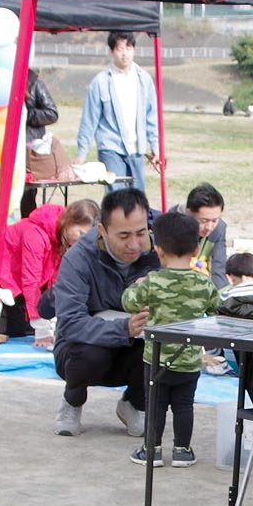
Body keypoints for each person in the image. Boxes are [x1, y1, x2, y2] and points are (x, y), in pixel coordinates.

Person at [49, 187, 159, 436]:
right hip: (84, 351)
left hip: (138, 348)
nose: (134, 244)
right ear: (102, 231)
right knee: (89, 353)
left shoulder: (161, 251)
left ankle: (134, 403)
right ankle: (73, 400)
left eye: (141, 233)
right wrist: (124, 328)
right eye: (123, 236)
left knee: (170, 348)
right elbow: (69, 324)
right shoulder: (78, 259)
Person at [120, 209, 221, 468]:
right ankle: (182, 450)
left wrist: (136, 285)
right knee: (184, 406)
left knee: (155, 406)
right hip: (189, 360)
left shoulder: (152, 282)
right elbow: (216, 311)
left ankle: (151, 450)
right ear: (196, 248)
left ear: (159, 249)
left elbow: (129, 303)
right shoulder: (203, 284)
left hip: (156, 359)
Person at [0, 198, 94, 342]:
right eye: (81, 234)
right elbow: (31, 281)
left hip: (15, 277)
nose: (81, 241)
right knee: (15, 328)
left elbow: (58, 284)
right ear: (69, 222)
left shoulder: (65, 240)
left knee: (28, 323)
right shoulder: (35, 234)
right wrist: (42, 329)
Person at [76, 31, 158, 188]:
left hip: (137, 149)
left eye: (128, 48)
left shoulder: (144, 79)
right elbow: (89, 119)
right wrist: (81, 154)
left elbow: (152, 116)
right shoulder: (100, 82)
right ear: (112, 51)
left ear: (134, 49)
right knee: (117, 198)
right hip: (111, 147)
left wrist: (156, 146)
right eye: (120, 49)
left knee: (137, 200)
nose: (125, 54)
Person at [185, 184, 230, 286]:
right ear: (189, 213)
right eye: (203, 221)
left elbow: (218, 269)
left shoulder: (219, 229)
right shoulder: (172, 226)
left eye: (214, 220)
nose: (209, 227)